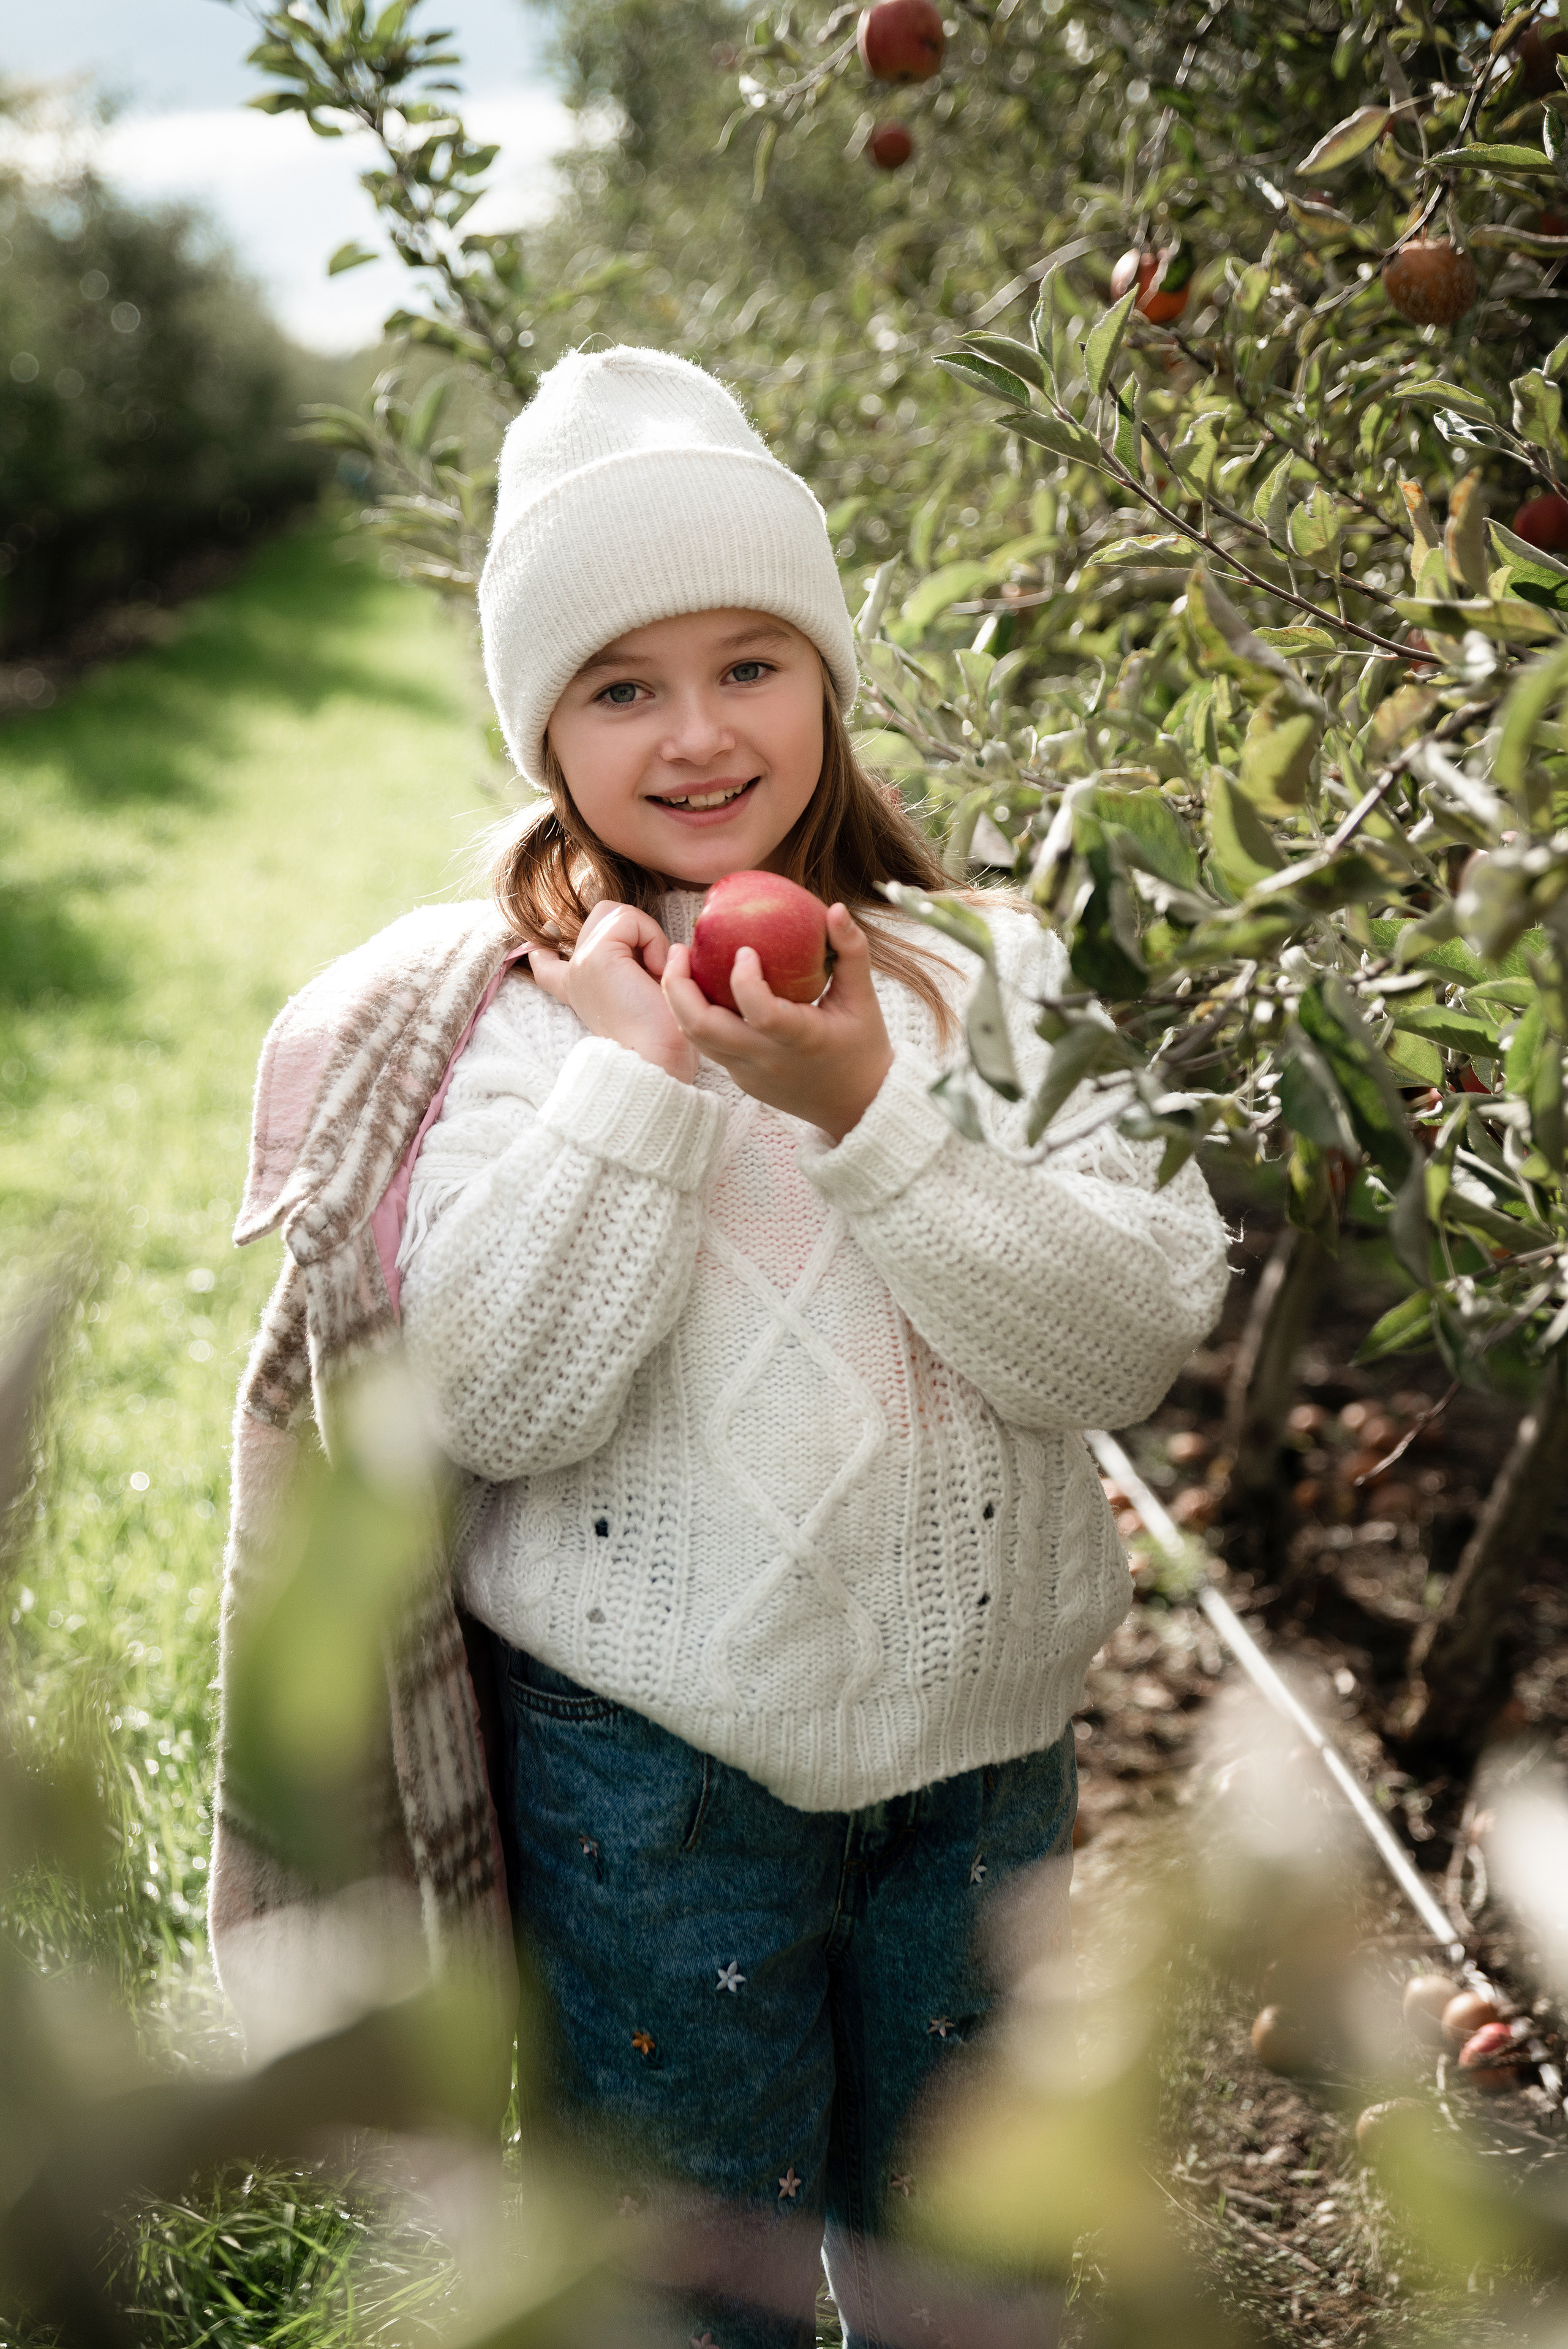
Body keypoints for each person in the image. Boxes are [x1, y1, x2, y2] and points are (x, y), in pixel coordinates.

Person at [382, 345, 1231, 2348]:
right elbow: (494, 1400)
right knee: (691, 2274)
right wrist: (643, 1091)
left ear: (829, 674)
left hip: (986, 1766)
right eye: (620, 684)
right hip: (650, 1782)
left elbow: (1129, 1336)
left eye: (749, 661)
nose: (697, 733)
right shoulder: (514, 1026)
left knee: (978, 2264)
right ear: (544, 731)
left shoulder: (989, 979)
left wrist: (868, 1110)